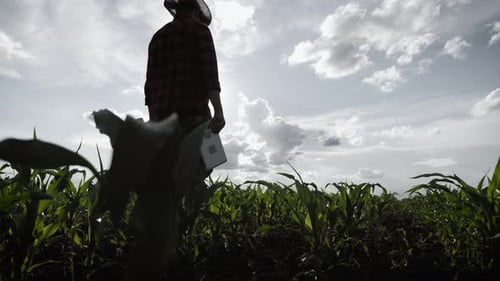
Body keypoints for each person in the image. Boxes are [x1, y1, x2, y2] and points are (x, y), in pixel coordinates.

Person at [144, 0, 225, 134]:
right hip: (194, 115)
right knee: (197, 154)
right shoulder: (200, 31)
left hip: (163, 120)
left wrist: (154, 119)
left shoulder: (157, 37)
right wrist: (218, 112)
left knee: (171, 156)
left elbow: (150, 85)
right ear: (195, 11)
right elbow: (210, 75)